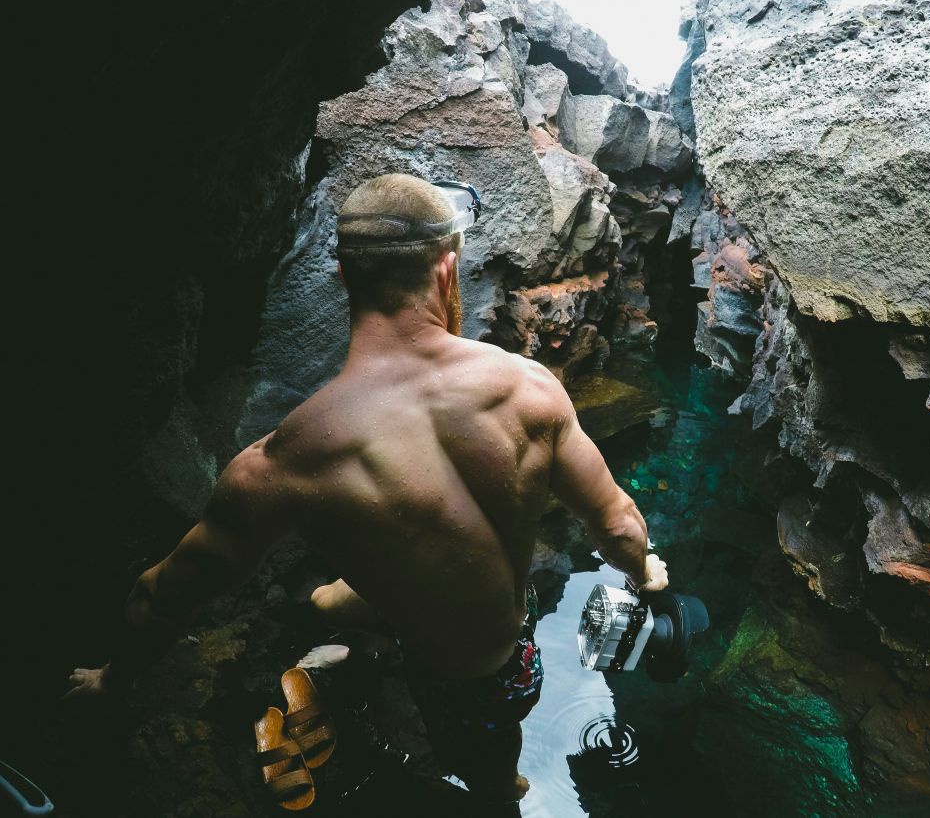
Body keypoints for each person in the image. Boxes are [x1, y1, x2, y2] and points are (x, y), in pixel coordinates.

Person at [65, 173, 669, 806]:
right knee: (332, 604)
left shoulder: (286, 462)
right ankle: (486, 766)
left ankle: (499, 787)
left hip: (469, 676)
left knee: (489, 779)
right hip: (503, 638)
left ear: (343, 276)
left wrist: (114, 678)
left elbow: (162, 595)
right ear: (447, 270)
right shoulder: (530, 386)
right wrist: (646, 572)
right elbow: (620, 523)